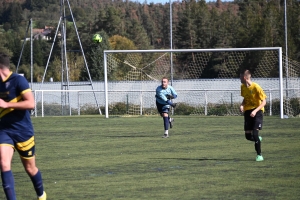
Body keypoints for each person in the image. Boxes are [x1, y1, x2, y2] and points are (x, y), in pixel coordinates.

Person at [0, 52, 46, 200]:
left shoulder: (18, 80)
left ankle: (41, 195)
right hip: (4, 130)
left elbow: (31, 104)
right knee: (4, 163)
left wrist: (7, 104)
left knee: (30, 168)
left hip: (23, 131)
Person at [240, 69, 266, 162]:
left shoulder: (256, 87)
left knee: (255, 133)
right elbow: (245, 99)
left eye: (240, 77)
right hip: (248, 112)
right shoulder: (242, 87)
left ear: (244, 77)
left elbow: (264, 102)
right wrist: (242, 105)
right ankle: (257, 139)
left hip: (257, 111)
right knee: (247, 136)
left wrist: (255, 111)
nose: (239, 79)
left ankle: (259, 155)